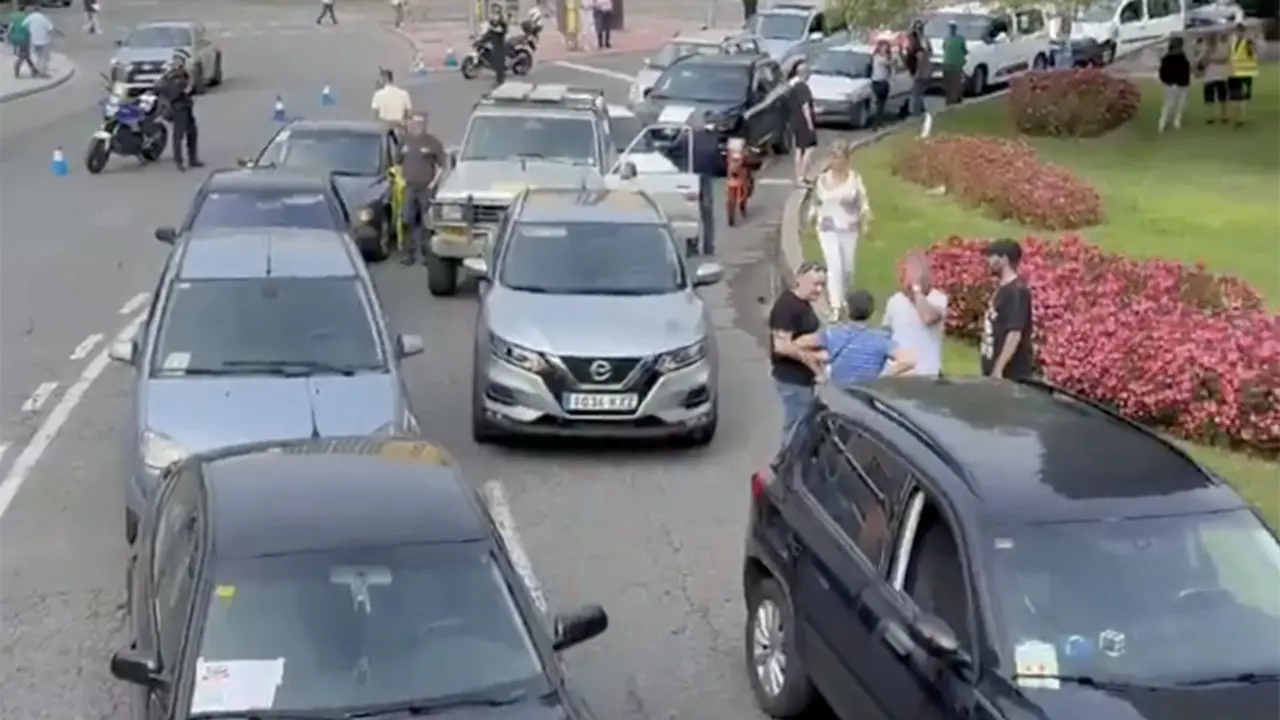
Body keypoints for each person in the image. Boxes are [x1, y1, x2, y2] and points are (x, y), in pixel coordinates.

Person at [790, 290, 916, 388]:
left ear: (847, 310)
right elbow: (908, 361)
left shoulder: (835, 334)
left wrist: (817, 364)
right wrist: (882, 378)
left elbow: (798, 344)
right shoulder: (880, 339)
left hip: (841, 396)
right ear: (872, 312)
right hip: (866, 396)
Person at [810, 142, 870, 318]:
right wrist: (811, 217)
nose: (836, 161)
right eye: (833, 157)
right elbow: (816, 202)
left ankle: (844, 299)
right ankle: (836, 307)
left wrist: (865, 221)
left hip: (849, 229)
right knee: (834, 265)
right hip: (827, 228)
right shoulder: (822, 180)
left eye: (839, 157)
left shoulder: (854, 179)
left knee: (848, 269)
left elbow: (863, 202)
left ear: (846, 159)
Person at [769, 261, 826, 437]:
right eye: (815, 284)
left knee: (804, 427)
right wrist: (813, 361)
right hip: (792, 380)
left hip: (803, 380)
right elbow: (781, 346)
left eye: (823, 285)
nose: (819, 290)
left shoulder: (803, 304)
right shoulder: (787, 307)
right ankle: (788, 455)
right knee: (796, 430)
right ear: (799, 279)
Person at [882, 252, 947, 376]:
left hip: (928, 374)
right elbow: (886, 336)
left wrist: (916, 290)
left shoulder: (937, 298)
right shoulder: (894, 301)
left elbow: (928, 318)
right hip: (901, 374)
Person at [979, 239, 1036, 380]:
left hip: (1010, 374)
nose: (988, 261)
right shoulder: (1002, 288)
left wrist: (999, 368)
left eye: (992, 256)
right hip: (992, 370)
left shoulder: (1016, 291)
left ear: (1004, 259)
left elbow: (1014, 333)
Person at [396, 113, 446, 266]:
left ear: (425, 125)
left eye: (420, 123)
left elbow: (441, 166)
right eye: (414, 123)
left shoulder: (432, 142)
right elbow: (397, 163)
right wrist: (401, 180)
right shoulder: (404, 142)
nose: (417, 126)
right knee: (407, 219)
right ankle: (408, 254)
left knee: (426, 222)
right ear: (410, 124)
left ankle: (425, 254)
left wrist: (433, 183)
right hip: (409, 188)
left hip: (426, 189)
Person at [158, 52, 202, 171]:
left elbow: (191, 88)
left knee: (192, 133)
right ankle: (179, 161)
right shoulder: (172, 79)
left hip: (185, 106)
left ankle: (192, 158)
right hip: (178, 108)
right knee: (179, 135)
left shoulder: (180, 76)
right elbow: (183, 90)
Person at [787, 61, 817, 186]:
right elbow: (805, 107)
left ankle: (798, 177)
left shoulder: (793, 88)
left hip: (795, 121)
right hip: (804, 122)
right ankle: (803, 176)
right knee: (810, 149)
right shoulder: (804, 88)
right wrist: (810, 125)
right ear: (805, 74)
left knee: (799, 149)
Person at [1157, 36, 1191, 133]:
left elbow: (1186, 71)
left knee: (1181, 103)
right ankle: (1163, 121)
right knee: (1169, 103)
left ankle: (1176, 120)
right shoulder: (1167, 59)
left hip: (1181, 83)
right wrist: (1169, 82)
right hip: (1171, 84)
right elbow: (1163, 73)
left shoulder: (1182, 58)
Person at [1226, 22, 1257, 126]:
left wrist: (1252, 44)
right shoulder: (1233, 42)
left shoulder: (1248, 42)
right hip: (1234, 72)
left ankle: (1241, 118)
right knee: (1234, 95)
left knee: (1243, 96)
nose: (1239, 33)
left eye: (1241, 31)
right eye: (1237, 31)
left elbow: (1254, 52)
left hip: (1245, 72)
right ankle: (1235, 116)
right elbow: (1231, 56)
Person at [1197, 33, 1231, 125]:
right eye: (1209, 39)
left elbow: (1225, 59)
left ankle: (1223, 116)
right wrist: (1206, 56)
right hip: (1208, 77)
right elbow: (1200, 63)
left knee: (1222, 97)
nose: (1211, 41)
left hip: (1221, 76)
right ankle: (1210, 116)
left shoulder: (1223, 47)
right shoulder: (1204, 50)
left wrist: (1211, 59)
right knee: (1209, 98)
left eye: (1213, 38)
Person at [7, 4, 38, 79]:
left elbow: (11, 27)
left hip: (15, 37)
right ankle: (16, 71)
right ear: (24, 10)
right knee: (22, 55)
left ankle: (34, 70)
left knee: (26, 55)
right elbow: (29, 29)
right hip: (24, 38)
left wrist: (9, 37)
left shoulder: (14, 17)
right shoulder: (25, 17)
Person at [940, 20, 967, 106]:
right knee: (948, 82)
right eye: (950, 27)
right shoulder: (946, 38)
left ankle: (956, 98)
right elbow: (944, 48)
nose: (951, 29)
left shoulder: (960, 39)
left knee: (956, 81)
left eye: (953, 27)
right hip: (948, 63)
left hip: (957, 64)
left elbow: (964, 50)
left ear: (955, 28)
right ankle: (949, 99)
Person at [869, 39, 894, 128]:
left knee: (882, 104)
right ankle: (876, 123)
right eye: (883, 47)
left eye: (886, 47)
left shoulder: (886, 57)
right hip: (877, 82)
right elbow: (888, 63)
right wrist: (889, 58)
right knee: (878, 103)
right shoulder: (877, 57)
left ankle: (880, 121)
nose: (885, 49)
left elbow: (890, 67)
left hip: (884, 82)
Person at [22, 6, 53, 77]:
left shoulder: (30, 17)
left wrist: (29, 30)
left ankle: (36, 70)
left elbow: (23, 25)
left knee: (34, 56)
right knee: (43, 57)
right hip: (44, 41)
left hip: (34, 40)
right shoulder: (43, 18)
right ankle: (43, 72)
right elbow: (50, 28)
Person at [482, 3, 508, 85]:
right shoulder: (493, 18)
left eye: (496, 8)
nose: (494, 10)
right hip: (493, 40)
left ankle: (500, 79)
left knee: (499, 60)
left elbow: (502, 30)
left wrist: (493, 28)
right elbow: (489, 30)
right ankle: (499, 77)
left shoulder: (502, 18)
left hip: (499, 42)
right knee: (494, 58)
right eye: (493, 8)